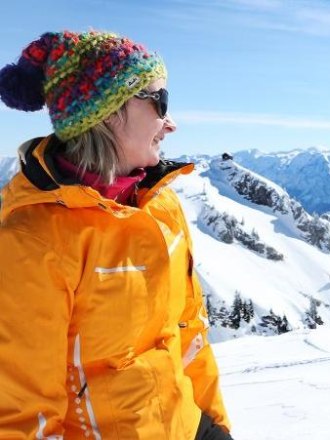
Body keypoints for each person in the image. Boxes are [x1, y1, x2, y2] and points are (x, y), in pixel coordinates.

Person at [0, 31, 233, 439]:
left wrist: (216, 426)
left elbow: (189, 334)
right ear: (108, 113)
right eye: (161, 102)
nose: (171, 123)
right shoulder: (32, 241)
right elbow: (21, 415)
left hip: (186, 425)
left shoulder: (160, 206)